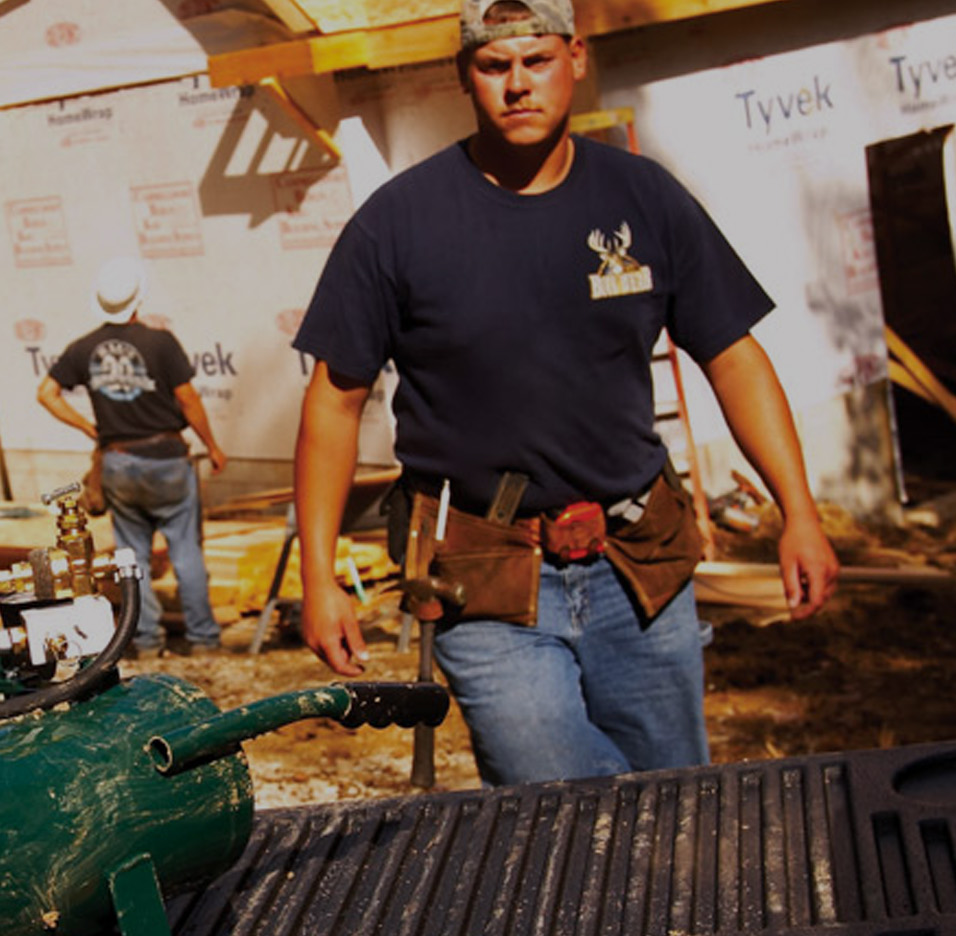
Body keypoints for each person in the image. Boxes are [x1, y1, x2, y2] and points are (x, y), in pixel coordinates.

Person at [289, 0, 839, 784]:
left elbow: (733, 356)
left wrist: (801, 514)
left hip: (636, 561)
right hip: (482, 574)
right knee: (554, 797)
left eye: (536, 60)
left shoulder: (643, 198)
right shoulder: (397, 226)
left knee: (677, 795)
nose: (517, 85)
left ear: (575, 58)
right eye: (494, 65)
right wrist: (318, 580)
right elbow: (333, 401)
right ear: (464, 76)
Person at [40, 256, 233, 656]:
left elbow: (46, 393)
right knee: (186, 551)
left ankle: (146, 640)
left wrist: (91, 429)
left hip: (119, 462)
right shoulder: (161, 342)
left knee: (133, 556)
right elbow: (188, 398)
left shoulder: (83, 348)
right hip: (167, 459)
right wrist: (212, 445)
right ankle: (203, 640)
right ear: (138, 298)